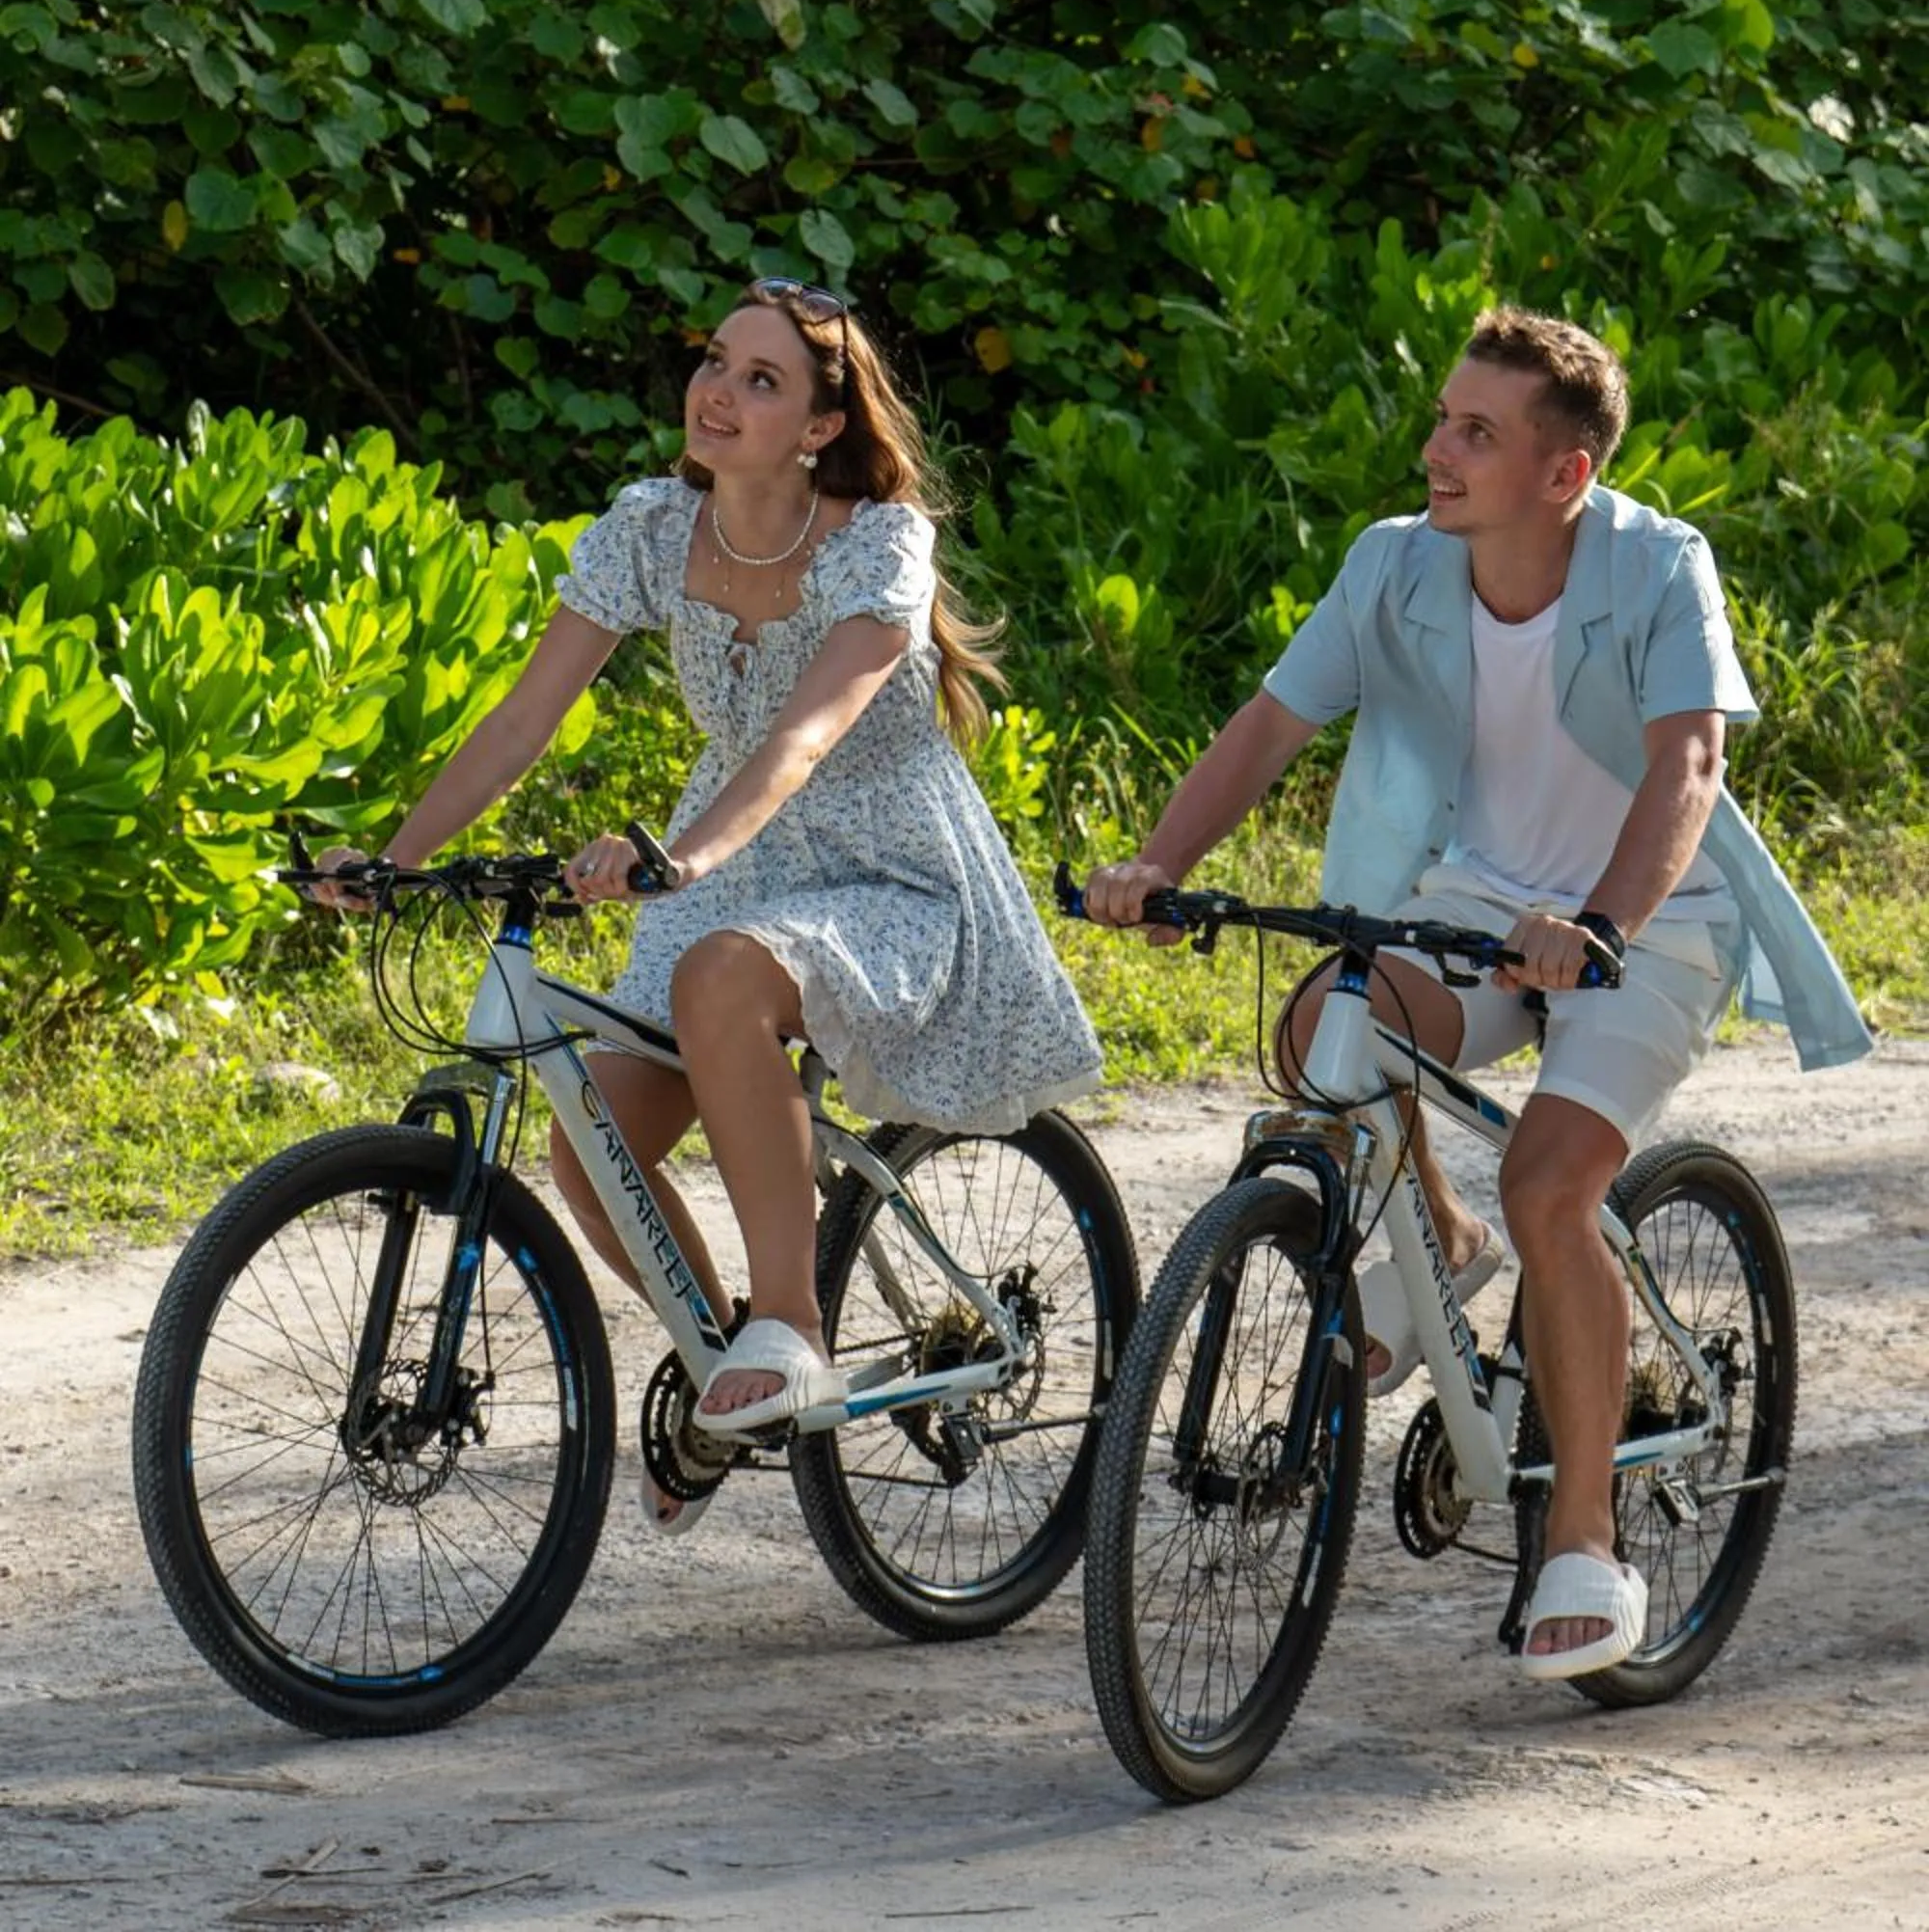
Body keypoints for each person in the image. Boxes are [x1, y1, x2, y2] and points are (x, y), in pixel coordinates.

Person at [1084, 305, 1868, 1681]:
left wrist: (1604, 925)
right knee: (1326, 1036)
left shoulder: (1656, 566)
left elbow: (1689, 770)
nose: (1436, 449)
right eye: (1446, 418)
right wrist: (1161, 862)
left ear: (1565, 474)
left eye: (1476, 432)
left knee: (1553, 1186)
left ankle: (1582, 1533)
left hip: (1649, 920)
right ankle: (1436, 1240)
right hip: (1474, 902)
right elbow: (1272, 722)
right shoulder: (1397, 565)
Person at [317, 278, 1101, 1522]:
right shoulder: (649, 530)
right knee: (594, 1144)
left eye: (762, 380)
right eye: (715, 363)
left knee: (720, 974)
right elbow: (528, 715)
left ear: (818, 429)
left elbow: (802, 738)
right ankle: (724, 1351)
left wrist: (680, 857)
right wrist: (399, 857)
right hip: (724, 864)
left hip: (884, 866)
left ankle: (789, 1320)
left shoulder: (876, 547)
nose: (719, 393)